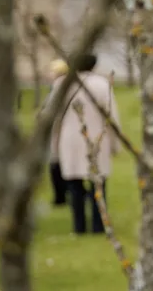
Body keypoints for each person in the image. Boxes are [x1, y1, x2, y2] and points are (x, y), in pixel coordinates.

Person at [53, 53, 120, 235]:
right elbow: (111, 116)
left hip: (70, 140)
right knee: (98, 184)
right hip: (97, 139)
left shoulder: (62, 85)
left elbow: (53, 116)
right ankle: (99, 225)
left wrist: (54, 143)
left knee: (75, 186)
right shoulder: (101, 84)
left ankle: (79, 226)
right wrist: (115, 144)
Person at [43, 58, 70, 206]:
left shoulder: (59, 87)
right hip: (61, 129)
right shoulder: (62, 86)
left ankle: (60, 197)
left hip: (58, 130)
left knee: (56, 164)